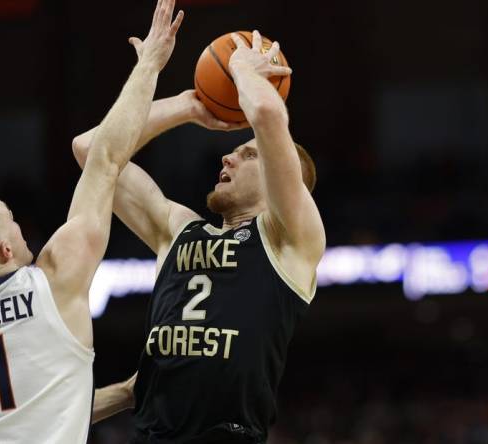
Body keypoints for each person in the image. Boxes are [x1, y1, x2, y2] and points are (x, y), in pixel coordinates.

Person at [0, 0, 184, 441]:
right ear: (3, 249)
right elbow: (106, 157)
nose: (21, 226)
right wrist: (151, 63)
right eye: (11, 219)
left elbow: (28, 411)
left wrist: (129, 392)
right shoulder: (54, 281)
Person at [76, 31, 326, 443]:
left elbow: (266, 113)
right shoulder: (178, 229)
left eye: (248, 154)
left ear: (283, 180)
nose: (227, 156)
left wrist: (243, 70)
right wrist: (187, 105)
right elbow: (90, 150)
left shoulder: (290, 239)